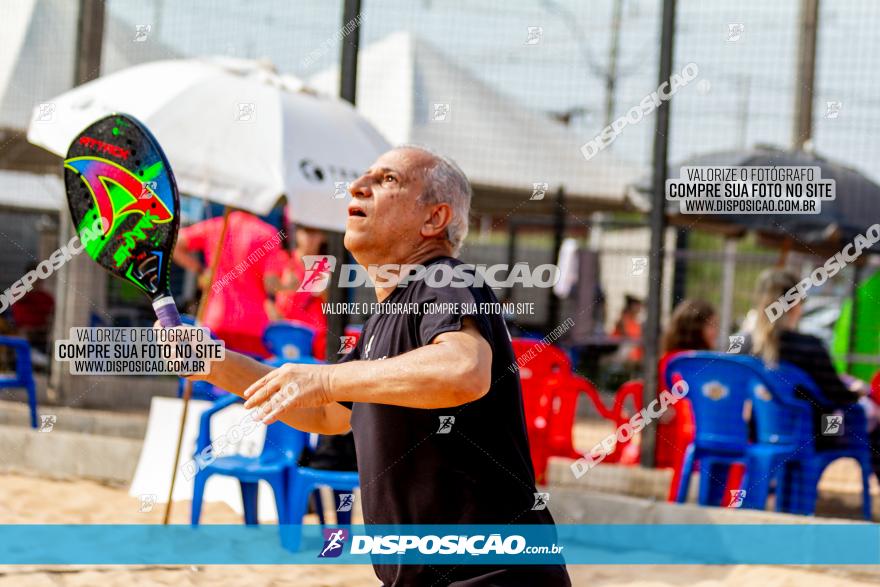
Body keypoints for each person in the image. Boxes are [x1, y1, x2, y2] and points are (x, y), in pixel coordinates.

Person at [174, 146, 570, 586]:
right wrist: (212, 363)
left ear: (434, 220)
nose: (358, 186)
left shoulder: (445, 279)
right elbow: (326, 414)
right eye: (363, 177)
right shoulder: (385, 318)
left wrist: (324, 377)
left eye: (387, 180)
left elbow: (463, 370)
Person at [740, 268, 870, 450]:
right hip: (811, 438)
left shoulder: (745, 346)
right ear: (794, 305)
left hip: (757, 432)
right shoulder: (809, 347)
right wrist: (857, 391)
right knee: (864, 415)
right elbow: (837, 396)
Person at [173, 211, 285, 357]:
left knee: (212, 377)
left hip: (215, 321)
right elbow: (271, 284)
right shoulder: (267, 233)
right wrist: (287, 284)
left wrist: (200, 271)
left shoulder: (216, 226)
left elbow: (176, 243)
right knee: (250, 377)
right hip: (253, 326)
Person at [264, 224, 328, 359]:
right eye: (305, 232)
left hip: (316, 340)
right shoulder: (282, 258)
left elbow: (330, 302)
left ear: (323, 237)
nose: (309, 238)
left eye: (315, 233)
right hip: (284, 336)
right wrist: (283, 287)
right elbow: (266, 295)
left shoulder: (327, 265)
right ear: (297, 234)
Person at [611, 294, 644, 364]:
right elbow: (626, 339)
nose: (639, 308)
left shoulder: (636, 323)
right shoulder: (623, 320)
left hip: (635, 357)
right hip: (622, 355)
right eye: (636, 305)